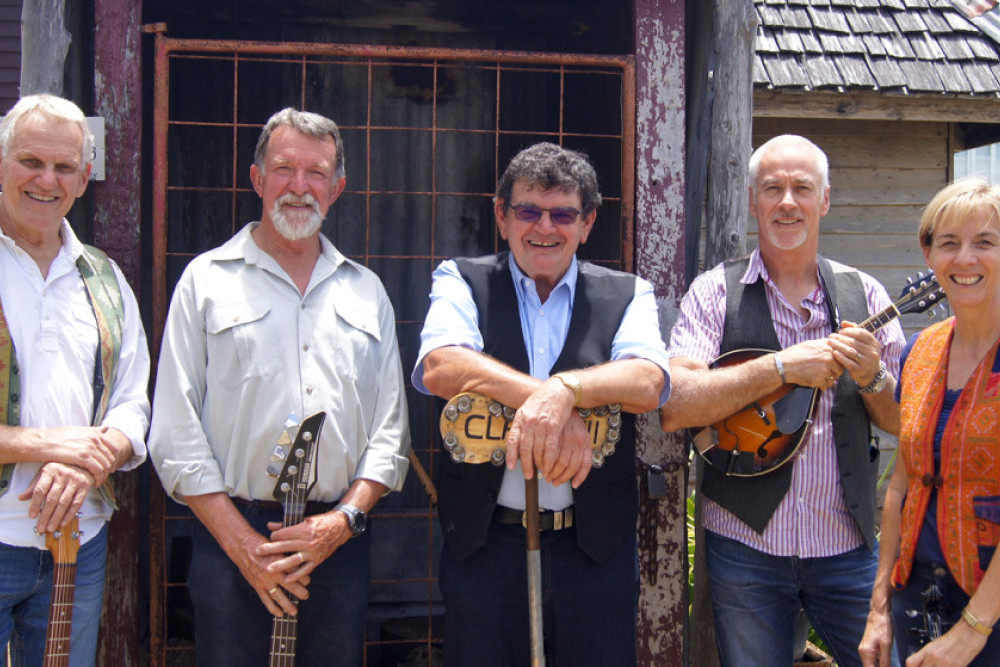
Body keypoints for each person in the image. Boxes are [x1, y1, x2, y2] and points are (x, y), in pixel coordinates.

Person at [147, 108, 410, 666]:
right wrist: (244, 547)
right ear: (257, 178)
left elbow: (390, 434)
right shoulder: (206, 281)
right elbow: (174, 431)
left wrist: (342, 522)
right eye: (284, 168)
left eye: (316, 173)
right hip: (232, 541)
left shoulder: (367, 293)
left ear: (337, 188)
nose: (299, 187)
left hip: (335, 547)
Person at [413, 142, 670, 666]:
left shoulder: (628, 293)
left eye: (562, 214)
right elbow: (441, 366)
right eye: (527, 210)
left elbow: (647, 382)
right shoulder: (461, 279)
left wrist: (563, 392)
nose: (544, 228)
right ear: (501, 217)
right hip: (487, 547)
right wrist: (552, 405)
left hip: (592, 550)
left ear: (587, 222)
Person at [660, 134, 905, 667]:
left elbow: (901, 420)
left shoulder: (866, 295)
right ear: (753, 201)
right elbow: (677, 404)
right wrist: (781, 367)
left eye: (802, 188)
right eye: (773, 188)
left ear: (826, 199)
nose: (788, 202)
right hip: (746, 550)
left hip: (846, 548)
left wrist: (870, 375)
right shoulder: (714, 294)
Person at [0, 94, 150, 665]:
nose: (47, 180)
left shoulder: (105, 278)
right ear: (1, 162)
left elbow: (134, 402)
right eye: (30, 161)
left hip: (78, 547)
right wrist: (51, 445)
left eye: (64, 167)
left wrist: (86, 460)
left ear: (85, 178)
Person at [859, 178, 1000, 667]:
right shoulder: (921, 351)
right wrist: (879, 608)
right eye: (948, 243)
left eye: (985, 242)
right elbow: (901, 485)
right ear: (928, 255)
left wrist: (973, 631)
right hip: (917, 595)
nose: (965, 259)